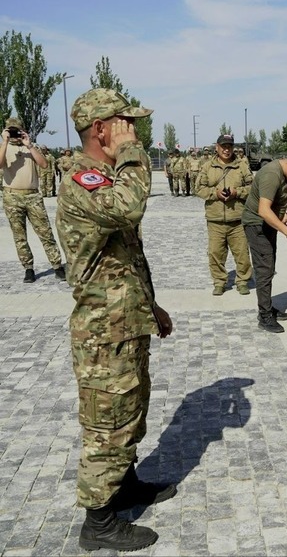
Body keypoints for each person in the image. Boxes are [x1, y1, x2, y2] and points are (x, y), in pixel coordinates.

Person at [55, 88, 177, 552]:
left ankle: (122, 485)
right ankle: (98, 521)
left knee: (130, 411)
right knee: (106, 423)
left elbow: (128, 253)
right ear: (101, 128)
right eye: (125, 123)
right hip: (103, 329)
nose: (134, 130)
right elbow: (130, 207)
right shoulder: (81, 180)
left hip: (127, 320)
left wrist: (153, 305)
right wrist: (131, 152)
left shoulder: (106, 178)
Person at [242, 151, 287, 333]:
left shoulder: (286, 174)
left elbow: (286, 193)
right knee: (264, 269)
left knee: (269, 266)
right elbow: (264, 211)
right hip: (257, 225)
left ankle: (267, 306)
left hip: (268, 224)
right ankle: (264, 316)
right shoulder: (271, 174)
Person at [0, 117, 66, 283]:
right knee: (19, 235)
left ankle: (57, 265)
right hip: (12, 196)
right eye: (11, 130)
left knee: (45, 232)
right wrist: (4, 142)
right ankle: (28, 268)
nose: (14, 134)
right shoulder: (4, 148)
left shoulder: (31, 147)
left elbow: (44, 165)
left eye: (17, 130)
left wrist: (29, 144)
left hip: (33, 196)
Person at [194, 134, 254, 296]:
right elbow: (199, 189)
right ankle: (219, 282)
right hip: (215, 220)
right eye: (223, 147)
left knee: (242, 253)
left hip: (237, 219)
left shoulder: (241, 166)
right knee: (215, 253)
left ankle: (242, 281)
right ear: (217, 148)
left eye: (229, 146)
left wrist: (237, 192)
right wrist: (216, 193)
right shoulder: (207, 167)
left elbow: (252, 188)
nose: (226, 150)